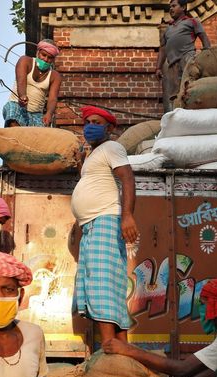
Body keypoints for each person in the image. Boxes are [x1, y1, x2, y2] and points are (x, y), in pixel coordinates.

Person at [71, 105, 138, 344]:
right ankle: (119, 348)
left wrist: (127, 215)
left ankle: (112, 349)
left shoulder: (112, 147)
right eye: (87, 121)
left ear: (109, 128)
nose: (90, 126)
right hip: (92, 226)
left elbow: (127, 178)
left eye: (97, 122)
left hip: (105, 221)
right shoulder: (94, 156)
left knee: (103, 286)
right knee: (98, 287)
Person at [156, 0, 211, 111]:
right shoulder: (168, 29)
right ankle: (178, 115)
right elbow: (162, 49)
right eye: (170, 7)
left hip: (187, 59)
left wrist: (208, 54)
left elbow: (204, 38)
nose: (171, 9)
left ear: (183, 7)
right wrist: (158, 67)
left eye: (174, 6)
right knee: (175, 95)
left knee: (190, 88)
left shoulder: (192, 22)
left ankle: (193, 112)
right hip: (172, 64)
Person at [2, 39, 62, 127]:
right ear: (38, 52)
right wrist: (22, 96)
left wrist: (49, 113)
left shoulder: (55, 76)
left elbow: (53, 98)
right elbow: (21, 81)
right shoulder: (25, 61)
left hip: (36, 114)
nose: (46, 59)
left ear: (53, 60)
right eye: (43, 55)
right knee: (13, 120)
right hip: (17, 105)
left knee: (41, 135)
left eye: (50, 58)